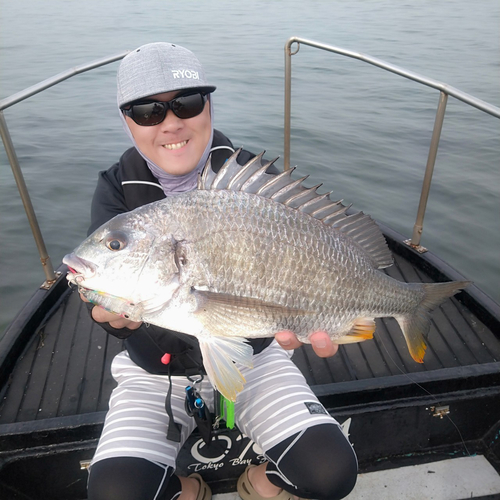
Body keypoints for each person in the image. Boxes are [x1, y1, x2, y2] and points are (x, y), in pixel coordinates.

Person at [83, 42, 358, 500]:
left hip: (257, 356)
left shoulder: (256, 181)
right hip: (155, 371)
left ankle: (259, 480)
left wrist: (318, 309)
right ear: (126, 120)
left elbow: (314, 248)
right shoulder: (114, 188)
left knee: (330, 473)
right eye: (147, 111)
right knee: (115, 494)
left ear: (209, 104)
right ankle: (188, 488)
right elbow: (104, 282)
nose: (170, 122)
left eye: (187, 103)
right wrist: (103, 313)